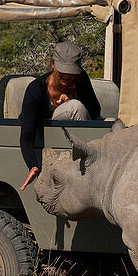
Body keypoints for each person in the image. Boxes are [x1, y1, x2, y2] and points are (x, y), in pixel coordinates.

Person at [19, 41, 101, 190]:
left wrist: (71, 99)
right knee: (74, 107)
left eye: (72, 73)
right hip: (48, 128)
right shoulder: (35, 90)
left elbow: (95, 112)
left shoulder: (80, 80)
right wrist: (32, 165)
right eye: (63, 71)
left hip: (72, 133)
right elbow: (26, 135)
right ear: (53, 64)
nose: (67, 77)